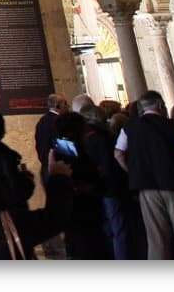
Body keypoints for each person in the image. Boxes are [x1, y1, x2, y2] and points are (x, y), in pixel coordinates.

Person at [115, 89, 174, 259]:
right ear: (159, 105)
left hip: (146, 188)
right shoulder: (173, 126)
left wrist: (133, 172)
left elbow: (118, 153)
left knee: (157, 238)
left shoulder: (129, 127)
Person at [53, 111, 111, 259]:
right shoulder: (70, 149)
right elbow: (81, 172)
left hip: (74, 209)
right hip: (84, 208)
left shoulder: (61, 147)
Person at [79, 100, 129, 259]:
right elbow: (108, 163)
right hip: (108, 187)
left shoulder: (84, 136)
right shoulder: (99, 137)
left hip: (96, 186)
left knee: (108, 225)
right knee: (118, 227)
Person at [34, 94, 66, 185]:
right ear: (58, 106)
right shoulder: (59, 121)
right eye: (65, 103)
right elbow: (62, 145)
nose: (68, 106)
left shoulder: (41, 121)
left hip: (45, 167)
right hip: (58, 168)